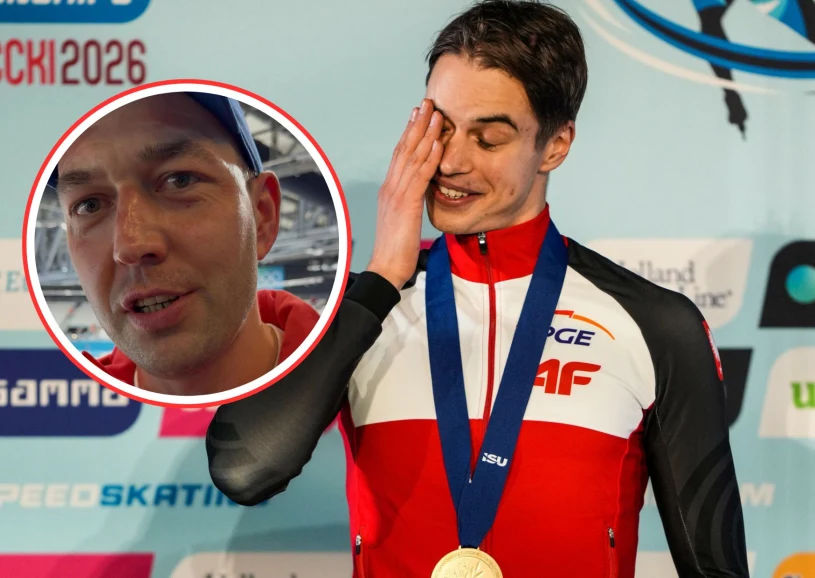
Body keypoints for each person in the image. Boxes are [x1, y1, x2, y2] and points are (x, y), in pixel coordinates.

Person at [207, 2, 749, 576]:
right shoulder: (358, 309)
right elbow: (245, 470)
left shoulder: (653, 322)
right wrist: (384, 275)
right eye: (439, 129)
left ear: (556, 145)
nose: (451, 162)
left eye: (488, 139)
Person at [51, 91, 319, 396]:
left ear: (261, 216)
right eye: (89, 206)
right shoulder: (54, 417)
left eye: (180, 180)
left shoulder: (357, 391)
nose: (130, 245)